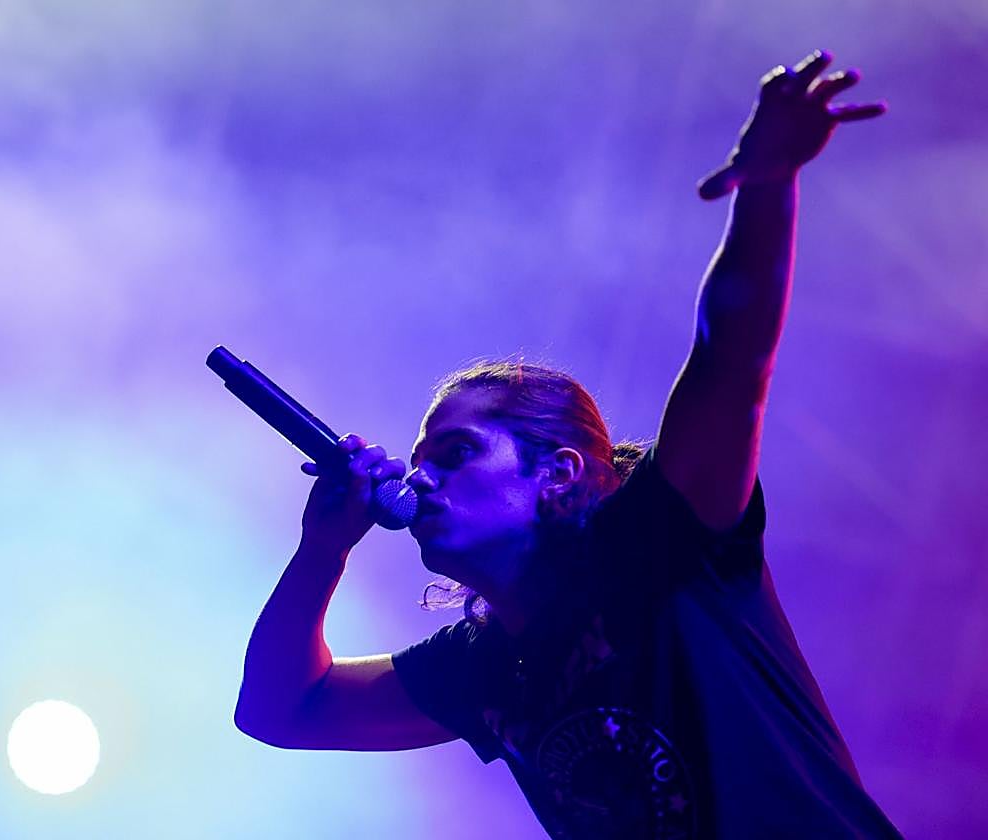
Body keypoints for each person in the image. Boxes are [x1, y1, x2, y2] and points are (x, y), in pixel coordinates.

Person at [233, 50, 902, 839]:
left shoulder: (659, 537)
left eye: (454, 453)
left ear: (557, 474)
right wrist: (322, 548)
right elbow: (282, 711)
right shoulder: (482, 664)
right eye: (419, 460)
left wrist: (768, 185)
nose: (420, 478)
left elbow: (733, 356)